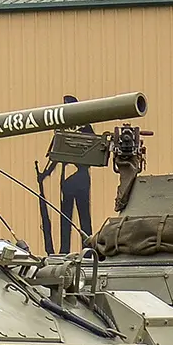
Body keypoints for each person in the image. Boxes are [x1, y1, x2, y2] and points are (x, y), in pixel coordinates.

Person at [37, 97, 112, 253]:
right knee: (67, 216)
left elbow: (94, 148)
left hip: (80, 177)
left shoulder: (84, 127)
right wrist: (45, 174)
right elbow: (55, 154)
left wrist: (46, 173)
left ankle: (88, 249)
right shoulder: (63, 128)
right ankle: (65, 250)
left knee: (83, 216)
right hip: (68, 179)